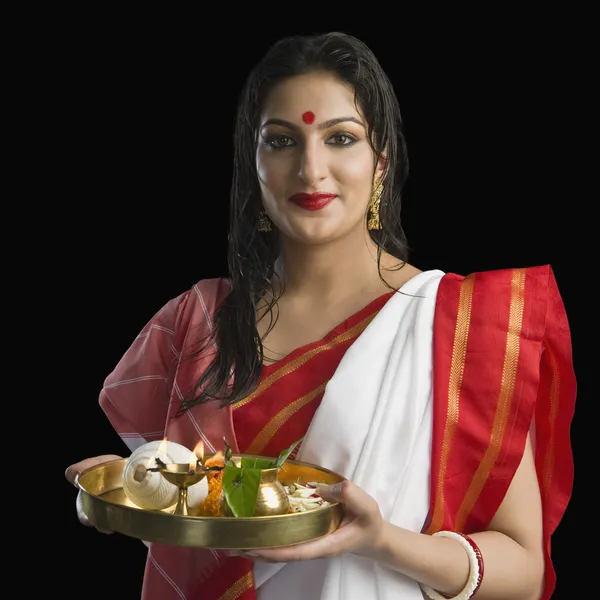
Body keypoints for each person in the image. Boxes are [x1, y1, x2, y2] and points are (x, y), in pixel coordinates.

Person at [64, 31, 576, 600]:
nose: (311, 169)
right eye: (281, 141)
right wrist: (135, 500)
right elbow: (209, 541)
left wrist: (378, 541)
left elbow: (525, 574)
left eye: (340, 138)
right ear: (253, 166)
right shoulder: (198, 322)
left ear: (380, 164)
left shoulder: (461, 328)